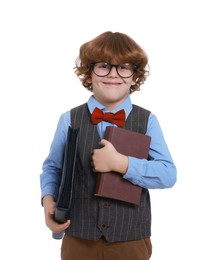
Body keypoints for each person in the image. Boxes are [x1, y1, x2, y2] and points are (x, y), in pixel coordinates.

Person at [40, 31, 177, 260]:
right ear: (89, 73)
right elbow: (54, 168)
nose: (113, 74)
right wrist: (48, 200)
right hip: (79, 238)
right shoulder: (69, 119)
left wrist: (122, 164)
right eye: (103, 65)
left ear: (135, 76)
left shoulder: (148, 120)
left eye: (123, 67)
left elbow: (168, 174)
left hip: (131, 240)